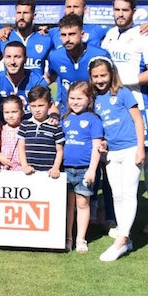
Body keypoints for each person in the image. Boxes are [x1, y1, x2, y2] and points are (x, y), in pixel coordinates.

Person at [101, 0, 148, 234]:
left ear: (133, 12)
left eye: (125, 10)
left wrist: (124, 81)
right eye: (116, 9)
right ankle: (114, 215)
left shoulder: (144, 35)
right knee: (113, 158)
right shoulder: (109, 36)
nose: (120, 14)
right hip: (112, 106)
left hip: (138, 103)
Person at [89, 57, 146, 262]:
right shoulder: (95, 99)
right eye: (95, 77)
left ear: (111, 74)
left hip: (131, 149)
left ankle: (121, 240)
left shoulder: (123, 93)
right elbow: (101, 128)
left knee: (129, 194)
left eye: (103, 75)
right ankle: (127, 237)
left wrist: (141, 148)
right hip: (111, 154)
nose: (100, 80)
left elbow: (138, 120)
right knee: (118, 195)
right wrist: (103, 144)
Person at [61, 81, 104, 253]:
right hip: (66, 169)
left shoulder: (94, 120)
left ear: (89, 100)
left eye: (80, 98)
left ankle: (81, 238)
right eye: (72, 98)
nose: (75, 102)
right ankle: (68, 237)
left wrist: (92, 170)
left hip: (84, 170)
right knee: (68, 204)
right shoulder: (65, 119)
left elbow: (96, 147)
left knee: (82, 203)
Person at [46, 14, 109, 114]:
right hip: (67, 114)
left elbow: (113, 84)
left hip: (97, 112)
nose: (67, 39)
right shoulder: (55, 56)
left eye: (72, 34)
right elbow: (48, 78)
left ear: (82, 34)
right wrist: (51, 104)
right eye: (63, 35)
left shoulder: (100, 55)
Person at [0, 41, 50, 116]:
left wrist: (54, 117)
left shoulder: (37, 82)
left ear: (25, 59)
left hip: (30, 126)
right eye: (8, 57)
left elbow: (50, 107)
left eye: (17, 57)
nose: (12, 62)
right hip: (3, 126)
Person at [0, 0, 52, 75]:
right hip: (11, 87)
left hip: (36, 87)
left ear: (34, 16)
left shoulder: (46, 39)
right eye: (18, 13)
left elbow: (57, 64)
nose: (21, 17)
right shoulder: (4, 37)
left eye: (25, 13)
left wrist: (45, 82)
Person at [18, 86, 63, 176]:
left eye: (41, 105)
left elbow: (60, 150)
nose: (37, 110)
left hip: (48, 174)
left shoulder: (55, 127)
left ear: (49, 105)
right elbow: (21, 147)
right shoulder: (25, 125)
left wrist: (55, 168)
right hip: (29, 172)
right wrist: (25, 166)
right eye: (33, 106)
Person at [0, 95, 24, 171]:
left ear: (21, 112)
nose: (10, 116)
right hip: (4, 167)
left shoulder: (24, 128)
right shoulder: (1, 129)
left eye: (14, 112)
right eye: (7, 112)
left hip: (20, 169)